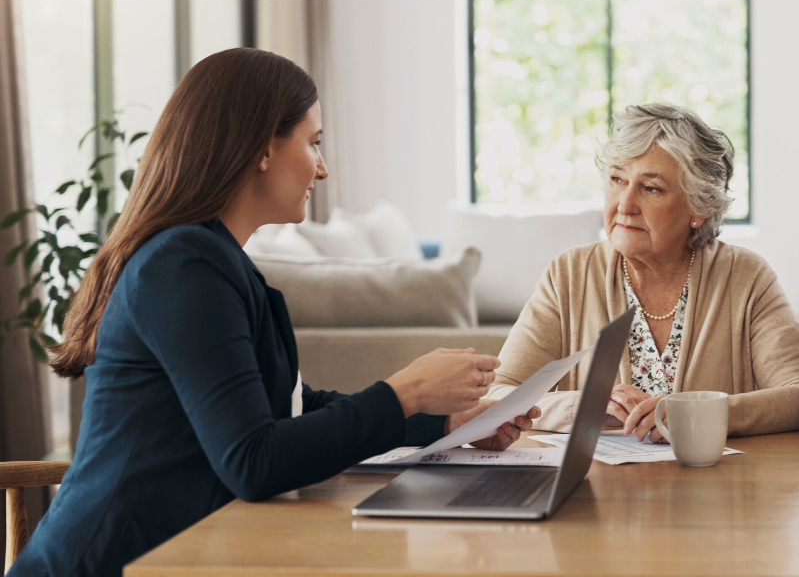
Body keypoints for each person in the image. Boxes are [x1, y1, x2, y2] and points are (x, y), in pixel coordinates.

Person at [10, 49, 537, 577]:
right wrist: (404, 393)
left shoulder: (212, 259)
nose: (324, 169)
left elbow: (289, 409)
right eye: (314, 143)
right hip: (108, 564)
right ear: (264, 148)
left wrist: (442, 421)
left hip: (180, 553)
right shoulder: (183, 265)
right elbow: (252, 462)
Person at [487, 102, 799, 442]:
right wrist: (582, 406)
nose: (625, 205)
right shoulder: (569, 274)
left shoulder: (745, 276)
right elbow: (498, 395)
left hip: (714, 484)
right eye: (617, 179)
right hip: (599, 488)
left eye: (651, 188)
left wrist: (698, 413)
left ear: (698, 207)